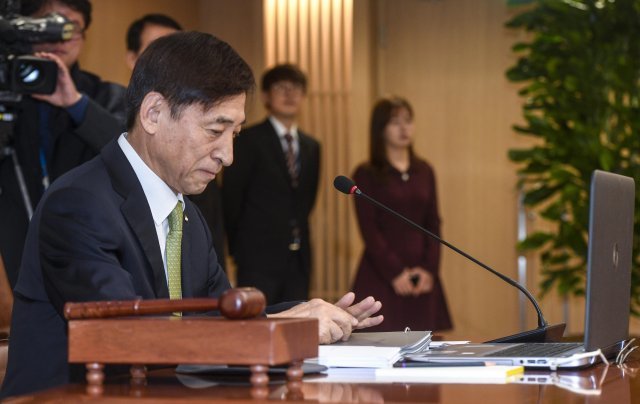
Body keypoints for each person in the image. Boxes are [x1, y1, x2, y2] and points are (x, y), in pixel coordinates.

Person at [0, 32, 382, 398]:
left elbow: (219, 319)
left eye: (235, 134)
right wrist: (286, 327)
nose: (227, 155)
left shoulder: (187, 216)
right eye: (216, 130)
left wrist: (310, 315)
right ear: (153, 113)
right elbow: (131, 338)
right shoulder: (78, 204)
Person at [0, 0, 126, 288]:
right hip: (13, 268)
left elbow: (134, 158)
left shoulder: (106, 97)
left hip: (91, 262)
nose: (58, 38)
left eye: (70, 28)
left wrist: (76, 104)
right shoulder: (6, 95)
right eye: (46, 24)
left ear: (84, 36)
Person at [125, 13, 227, 270]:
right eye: (214, 131)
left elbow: (213, 303)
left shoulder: (191, 211)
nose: (226, 155)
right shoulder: (88, 205)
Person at [222, 64, 320, 305]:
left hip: (299, 259)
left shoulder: (312, 146)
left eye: (296, 88)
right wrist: (239, 250)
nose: (289, 94)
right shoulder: (247, 140)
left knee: (297, 330)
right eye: (281, 87)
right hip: (257, 258)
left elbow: (306, 201)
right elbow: (231, 200)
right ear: (266, 95)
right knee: (257, 329)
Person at [351, 96, 451, 332]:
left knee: (425, 347)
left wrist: (430, 269)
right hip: (382, 275)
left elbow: (433, 223)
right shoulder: (366, 173)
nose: (404, 127)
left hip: (423, 276)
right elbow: (370, 230)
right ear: (381, 129)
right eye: (395, 122)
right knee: (381, 343)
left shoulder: (424, 170)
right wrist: (395, 272)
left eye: (408, 120)